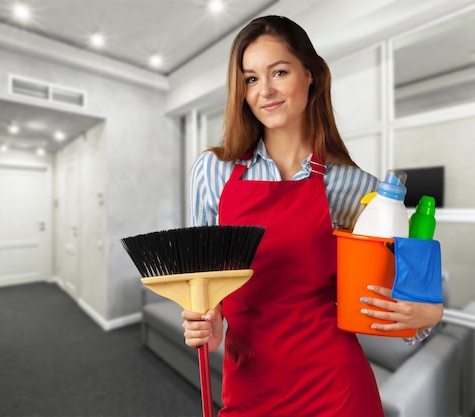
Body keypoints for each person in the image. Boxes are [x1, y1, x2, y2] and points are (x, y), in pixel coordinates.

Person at [182, 15, 443, 416]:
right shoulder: (213, 171)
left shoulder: (356, 187)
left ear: (311, 75)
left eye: (279, 72)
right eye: (250, 79)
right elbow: (205, 284)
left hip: (336, 389)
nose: (264, 90)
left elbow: (397, 293)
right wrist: (209, 320)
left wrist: (425, 316)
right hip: (249, 386)